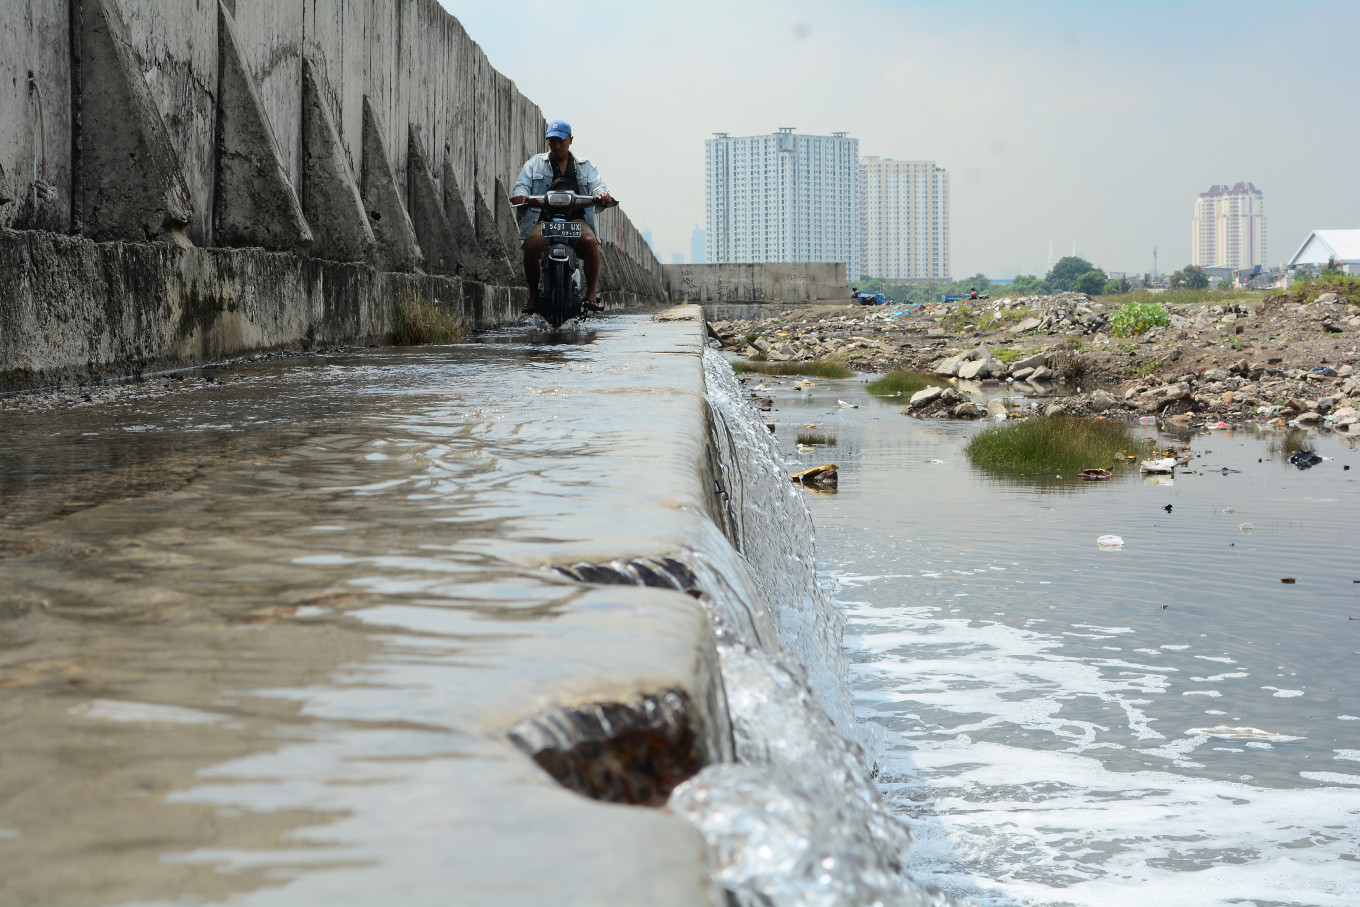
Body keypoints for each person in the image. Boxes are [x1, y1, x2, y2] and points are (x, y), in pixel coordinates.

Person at [510, 120, 613, 313]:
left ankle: (591, 293)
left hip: (576, 220)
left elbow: (597, 185)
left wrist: (601, 195)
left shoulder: (585, 166)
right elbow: (522, 185)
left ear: (570, 140)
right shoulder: (535, 163)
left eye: (560, 141)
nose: (556, 146)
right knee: (531, 246)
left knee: (590, 243)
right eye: (552, 141)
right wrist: (521, 195)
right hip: (544, 219)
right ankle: (533, 294)